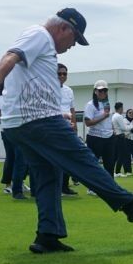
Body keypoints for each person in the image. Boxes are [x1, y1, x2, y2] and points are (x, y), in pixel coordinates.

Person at [0, 8, 133, 253]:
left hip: (20, 123)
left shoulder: (42, 45)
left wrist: (59, 110)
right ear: (64, 28)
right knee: (83, 160)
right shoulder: (39, 34)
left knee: (48, 176)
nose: (73, 45)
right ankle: (130, 205)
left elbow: (30, 80)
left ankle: (47, 236)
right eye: (75, 38)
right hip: (37, 121)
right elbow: (10, 56)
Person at [84, 80, 116, 188]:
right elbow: (87, 122)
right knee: (93, 164)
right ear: (95, 91)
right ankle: (92, 187)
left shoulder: (107, 103)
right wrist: (103, 116)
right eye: (100, 90)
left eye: (105, 90)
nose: (102, 92)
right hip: (95, 137)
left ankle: (111, 186)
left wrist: (112, 129)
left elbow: (109, 119)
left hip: (109, 137)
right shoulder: (90, 104)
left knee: (110, 163)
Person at [57, 63, 78, 195]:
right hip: (54, 127)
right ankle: (56, 187)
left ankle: (65, 186)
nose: (62, 76)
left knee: (68, 157)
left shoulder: (69, 90)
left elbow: (72, 109)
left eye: (64, 73)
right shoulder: (48, 89)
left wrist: (75, 125)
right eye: (59, 73)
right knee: (55, 158)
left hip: (67, 127)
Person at [112, 102, 129, 177]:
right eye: (122, 108)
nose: (123, 109)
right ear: (120, 108)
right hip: (120, 137)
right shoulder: (119, 116)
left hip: (116, 137)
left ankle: (113, 172)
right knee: (122, 155)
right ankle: (118, 172)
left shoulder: (113, 116)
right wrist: (130, 128)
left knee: (115, 155)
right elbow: (123, 128)